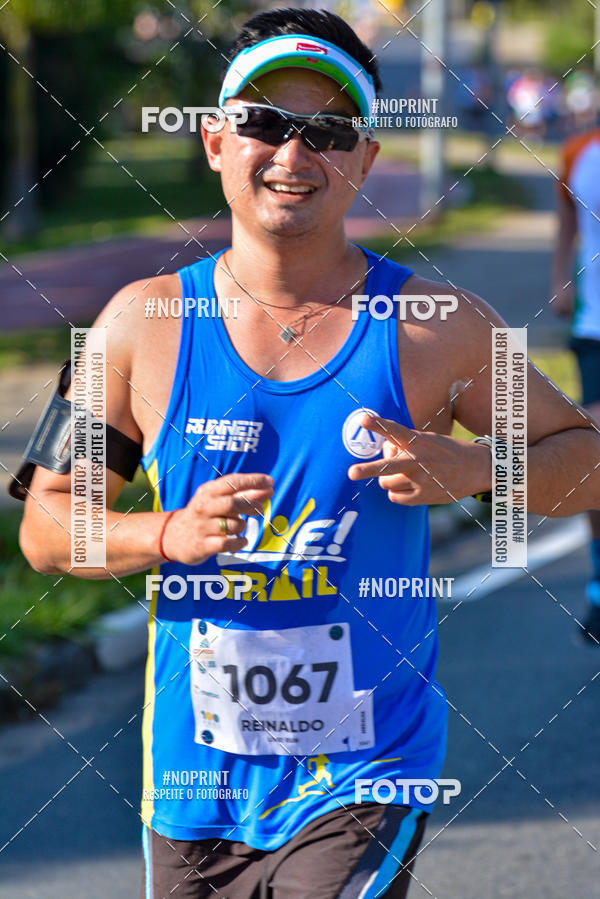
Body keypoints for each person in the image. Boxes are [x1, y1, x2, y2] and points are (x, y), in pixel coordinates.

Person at [18, 8, 600, 897]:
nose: (292, 155)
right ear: (215, 140)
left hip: (369, 773)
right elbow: (48, 528)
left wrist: (481, 470)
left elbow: (585, 455)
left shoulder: (440, 329)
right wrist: (167, 535)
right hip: (193, 791)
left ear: (365, 160)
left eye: (327, 132)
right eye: (262, 123)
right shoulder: (135, 326)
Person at [552, 120, 600, 645]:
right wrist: (559, 276)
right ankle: (599, 585)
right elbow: (566, 221)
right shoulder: (577, 152)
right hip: (595, 327)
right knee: (594, 455)